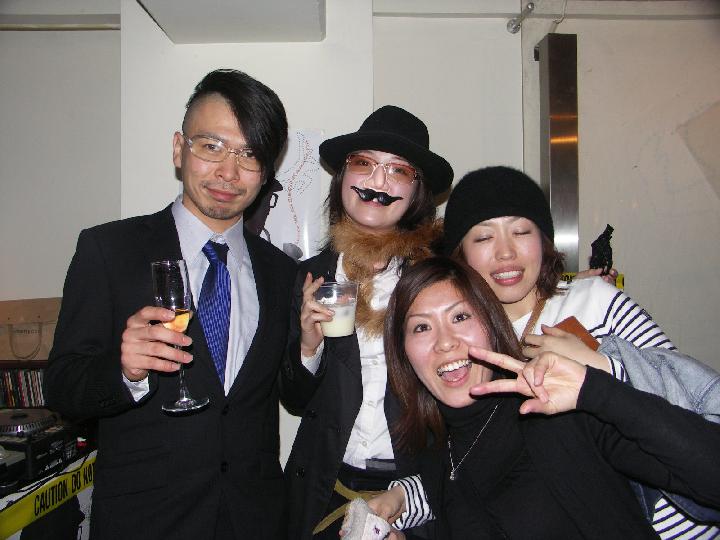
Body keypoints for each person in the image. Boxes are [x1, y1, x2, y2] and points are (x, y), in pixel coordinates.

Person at [44, 69, 296, 539]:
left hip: (254, 519)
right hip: (146, 521)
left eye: (249, 154)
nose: (229, 173)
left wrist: (312, 349)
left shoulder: (282, 273)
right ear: (179, 149)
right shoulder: (109, 250)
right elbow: (61, 387)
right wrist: (124, 371)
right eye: (212, 146)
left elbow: (289, 393)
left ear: (266, 170)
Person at [440, 165, 719, 537]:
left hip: (683, 521)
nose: (505, 252)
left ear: (544, 240)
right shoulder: (468, 341)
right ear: (461, 255)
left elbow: (689, 404)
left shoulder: (593, 301)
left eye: (521, 231)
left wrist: (600, 364)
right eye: (484, 237)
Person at [375, 256, 720, 539]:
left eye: (460, 316)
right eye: (421, 327)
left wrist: (596, 391)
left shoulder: (553, 410)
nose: (445, 342)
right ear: (404, 352)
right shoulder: (437, 452)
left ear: (491, 326)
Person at [279, 105, 453, 539]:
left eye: (398, 170)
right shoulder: (311, 275)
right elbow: (295, 400)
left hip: (412, 491)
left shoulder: (438, 279)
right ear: (343, 177)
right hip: (324, 485)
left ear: (417, 191)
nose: (377, 182)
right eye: (364, 163)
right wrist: (308, 345)